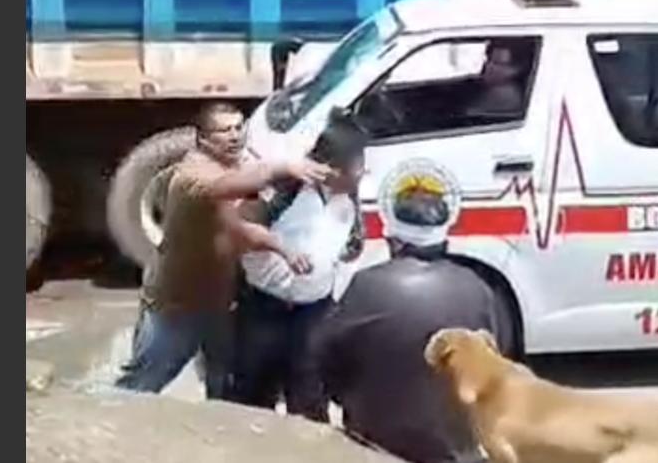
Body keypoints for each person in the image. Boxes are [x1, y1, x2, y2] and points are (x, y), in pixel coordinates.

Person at [115, 102, 333, 399]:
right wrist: (284, 166)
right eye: (224, 130)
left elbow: (238, 228)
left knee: (224, 384)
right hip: (177, 306)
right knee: (142, 384)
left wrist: (284, 250)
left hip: (219, 302)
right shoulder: (192, 177)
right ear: (202, 139)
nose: (234, 136)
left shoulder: (234, 164)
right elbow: (235, 186)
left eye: (238, 127)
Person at [314, 168, 511, 463]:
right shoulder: (479, 289)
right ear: (444, 241)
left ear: (393, 240)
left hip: (377, 444)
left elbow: (327, 362)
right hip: (458, 452)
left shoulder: (367, 285)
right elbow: (496, 365)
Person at [229, 110, 368, 421]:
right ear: (329, 168)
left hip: (314, 312)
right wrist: (284, 249)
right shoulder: (284, 187)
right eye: (355, 166)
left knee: (310, 403)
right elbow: (238, 231)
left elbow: (353, 242)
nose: (361, 172)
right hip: (265, 308)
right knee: (250, 400)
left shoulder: (349, 192)